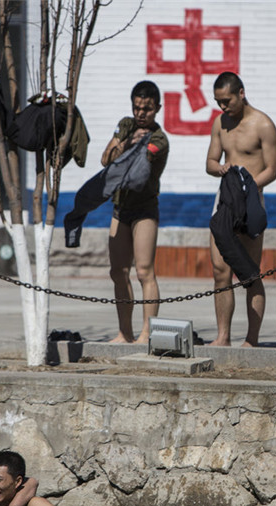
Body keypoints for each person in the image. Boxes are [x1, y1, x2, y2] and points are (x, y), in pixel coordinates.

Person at [205, 71, 276, 347]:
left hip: (250, 201)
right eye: (218, 102)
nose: (223, 107)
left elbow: (272, 170)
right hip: (225, 200)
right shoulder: (220, 123)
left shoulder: (263, 125)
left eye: (226, 101)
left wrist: (249, 186)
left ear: (241, 93)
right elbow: (211, 161)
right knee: (220, 270)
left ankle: (251, 339)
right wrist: (220, 168)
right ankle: (223, 336)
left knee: (249, 271)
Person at [100, 80, 170, 344]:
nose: (141, 113)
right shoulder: (126, 125)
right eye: (137, 107)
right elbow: (107, 159)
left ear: (157, 108)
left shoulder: (160, 139)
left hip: (144, 210)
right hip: (120, 208)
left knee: (144, 271)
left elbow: (138, 164)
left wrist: (127, 146)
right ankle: (124, 332)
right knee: (118, 271)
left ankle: (145, 333)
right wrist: (126, 140)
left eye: (148, 109)